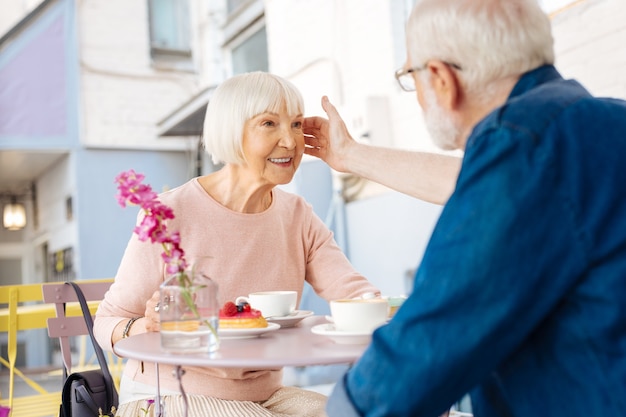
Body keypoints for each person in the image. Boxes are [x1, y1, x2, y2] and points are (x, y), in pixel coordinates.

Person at [304, 0, 626, 416]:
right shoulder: (601, 123)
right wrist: (351, 155)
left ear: (440, 78)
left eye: (410, 76)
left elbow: (430, 339)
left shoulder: (518, 147)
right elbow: (463, 181)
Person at [94, 71, 380, 417]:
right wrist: (146, 325)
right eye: (270, 123)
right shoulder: (169, 213)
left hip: (266, 397)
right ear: (232, 130)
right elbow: (108, 321)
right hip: (166, 395)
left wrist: (401, 313)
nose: (290, 141)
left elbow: (353, 293)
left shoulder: (297, 215)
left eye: (296, 124)